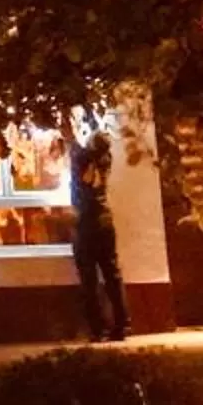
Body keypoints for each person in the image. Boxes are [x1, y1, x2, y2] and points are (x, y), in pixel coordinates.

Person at [71, 127, 130, 341]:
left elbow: (74, 147)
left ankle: (98, 329)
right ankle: (122, 325)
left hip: (87, 223)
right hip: (105, 221)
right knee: (112, 274)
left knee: (88, 279)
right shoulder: (106, 159)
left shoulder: (83, 160)